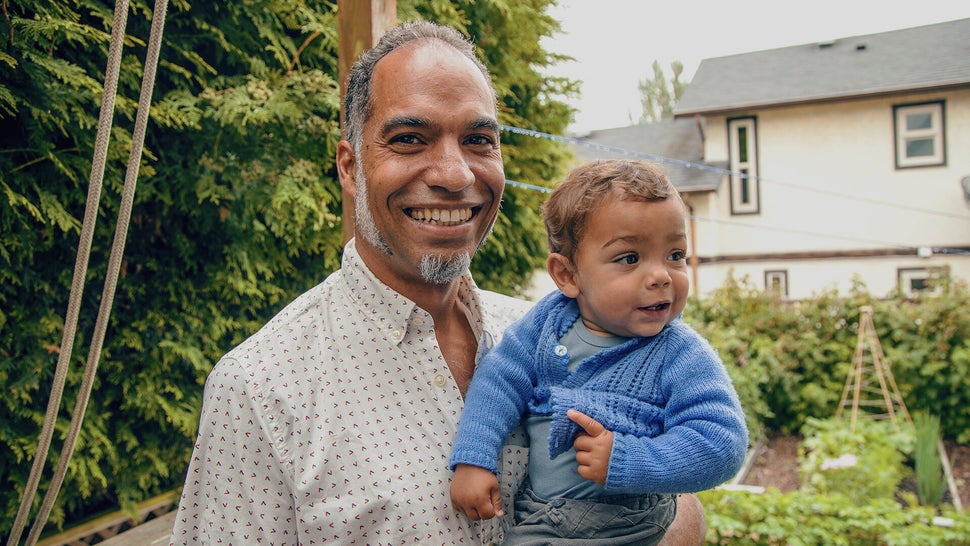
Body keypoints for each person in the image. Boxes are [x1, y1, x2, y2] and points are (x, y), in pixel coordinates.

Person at [170, 21, 707, 545]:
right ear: (351, 166)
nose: (455, 175)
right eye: (409, 139)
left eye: (478, 140)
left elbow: (679, 494)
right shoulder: (262, 389)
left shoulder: (547, 330)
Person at [449, 159, 749, 544]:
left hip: (626, 524)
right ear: (568, 275)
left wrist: (629, 459)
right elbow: (498, 380)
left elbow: (722, 442)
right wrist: (474, 458)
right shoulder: (546, 323)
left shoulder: (679, 353)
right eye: (630, 258)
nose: (661, 275)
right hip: (541, 514)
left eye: (675, 254)